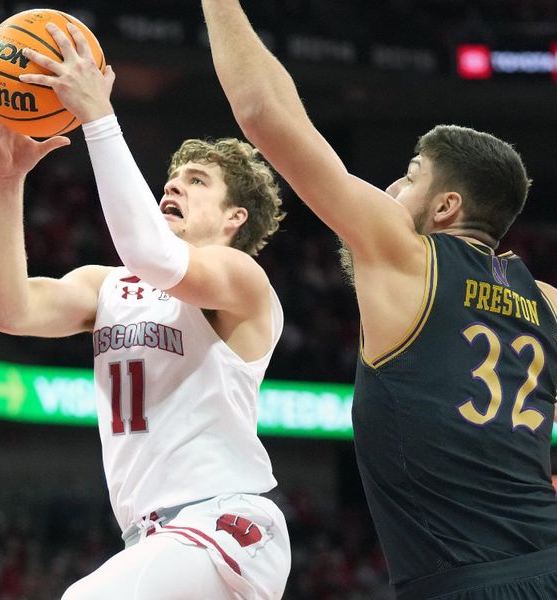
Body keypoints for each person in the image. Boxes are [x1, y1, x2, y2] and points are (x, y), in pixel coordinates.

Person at [200, 1, 557, 598]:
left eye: (410, 176)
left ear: (445, 208)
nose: (391, 189)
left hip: (466, 584)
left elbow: (266, 113)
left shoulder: (405, 253)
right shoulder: (545, 301)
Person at [0, 22, 291, 600]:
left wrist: (99, 115)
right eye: (171, 179)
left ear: (235, 219)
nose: (172, 188)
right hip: (153, 537)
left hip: (222, 524)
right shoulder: (109, 287)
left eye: (196, 182)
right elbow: (8, 309)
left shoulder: (242, 281)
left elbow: (148, 249)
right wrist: (7, 180)